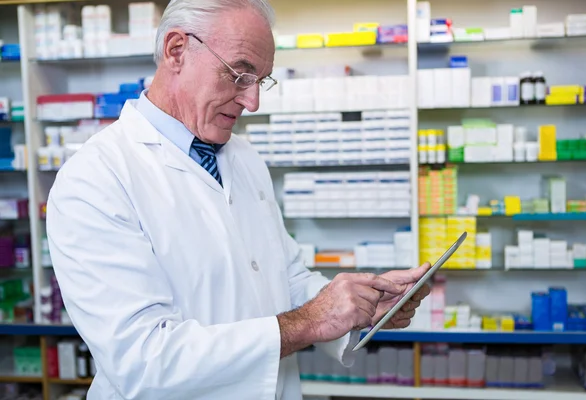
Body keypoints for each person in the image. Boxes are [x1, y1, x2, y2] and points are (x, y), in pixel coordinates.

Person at [46, 0, 432, 399]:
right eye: (238, 74)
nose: (252, 102)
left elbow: (286, 280)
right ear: (176, 50)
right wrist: (310, 321)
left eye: (260, 80)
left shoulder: (243, 156)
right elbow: (143, 358)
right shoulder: (95, 178)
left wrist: (363, 308)